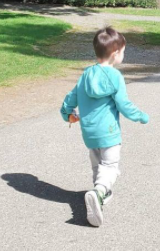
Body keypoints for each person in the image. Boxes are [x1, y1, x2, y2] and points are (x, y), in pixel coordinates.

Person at [60, 27, 149, 227]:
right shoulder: (115, 76)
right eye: (123, 51)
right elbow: (124, 105)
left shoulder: (86, 75)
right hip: (109, 133)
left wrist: (67, 114)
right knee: (109, 166)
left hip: (89, 133)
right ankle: (99, 191)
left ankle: (101, 194)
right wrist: (140, 116)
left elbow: (71, 98)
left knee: (97, 165)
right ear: (115, 53)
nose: (123, 55)